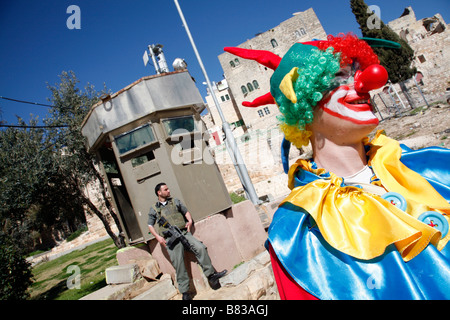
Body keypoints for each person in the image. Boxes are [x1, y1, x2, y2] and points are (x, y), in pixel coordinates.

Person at [225, 33, 450, 299]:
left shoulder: (430, 166)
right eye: (339, 77)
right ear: (303, 104)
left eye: (357, 72)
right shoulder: (296, 231)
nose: (367, 81)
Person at [148, 182, 227, 300]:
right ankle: (185, 292)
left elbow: (186, 211)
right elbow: (150, 225)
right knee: (178, 263)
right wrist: (158, 237)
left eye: (168, 189)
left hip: (183, 233)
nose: (168, 191)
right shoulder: (154, 208)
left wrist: (189, 220)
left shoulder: (175, 201)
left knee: (200, 248)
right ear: (159, 193)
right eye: (165, 189)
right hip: (171, 238)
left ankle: (211, 276)